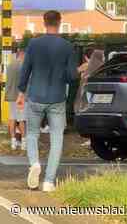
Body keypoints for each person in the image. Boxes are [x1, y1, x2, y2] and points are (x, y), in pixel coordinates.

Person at [16, 10, 87, 192]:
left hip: (35, 97)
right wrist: (81, 69)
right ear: (59, 22)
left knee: (32, 134)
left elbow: (25, 70)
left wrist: (21, 92)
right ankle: (49, 181)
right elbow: (71, 76)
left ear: (44, 22)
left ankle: (34, 164)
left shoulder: (33, 44)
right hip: (57, 99)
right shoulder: (67, 46)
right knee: (57, 139)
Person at [0, 48, 26, 151]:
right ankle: (23, 143)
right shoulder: (24, 67)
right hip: (21, 97)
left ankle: (13, 142)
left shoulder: (9, 66)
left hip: (10, 96)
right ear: (22, 55)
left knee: (12, 118)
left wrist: (0, 66)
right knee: (22, 119)